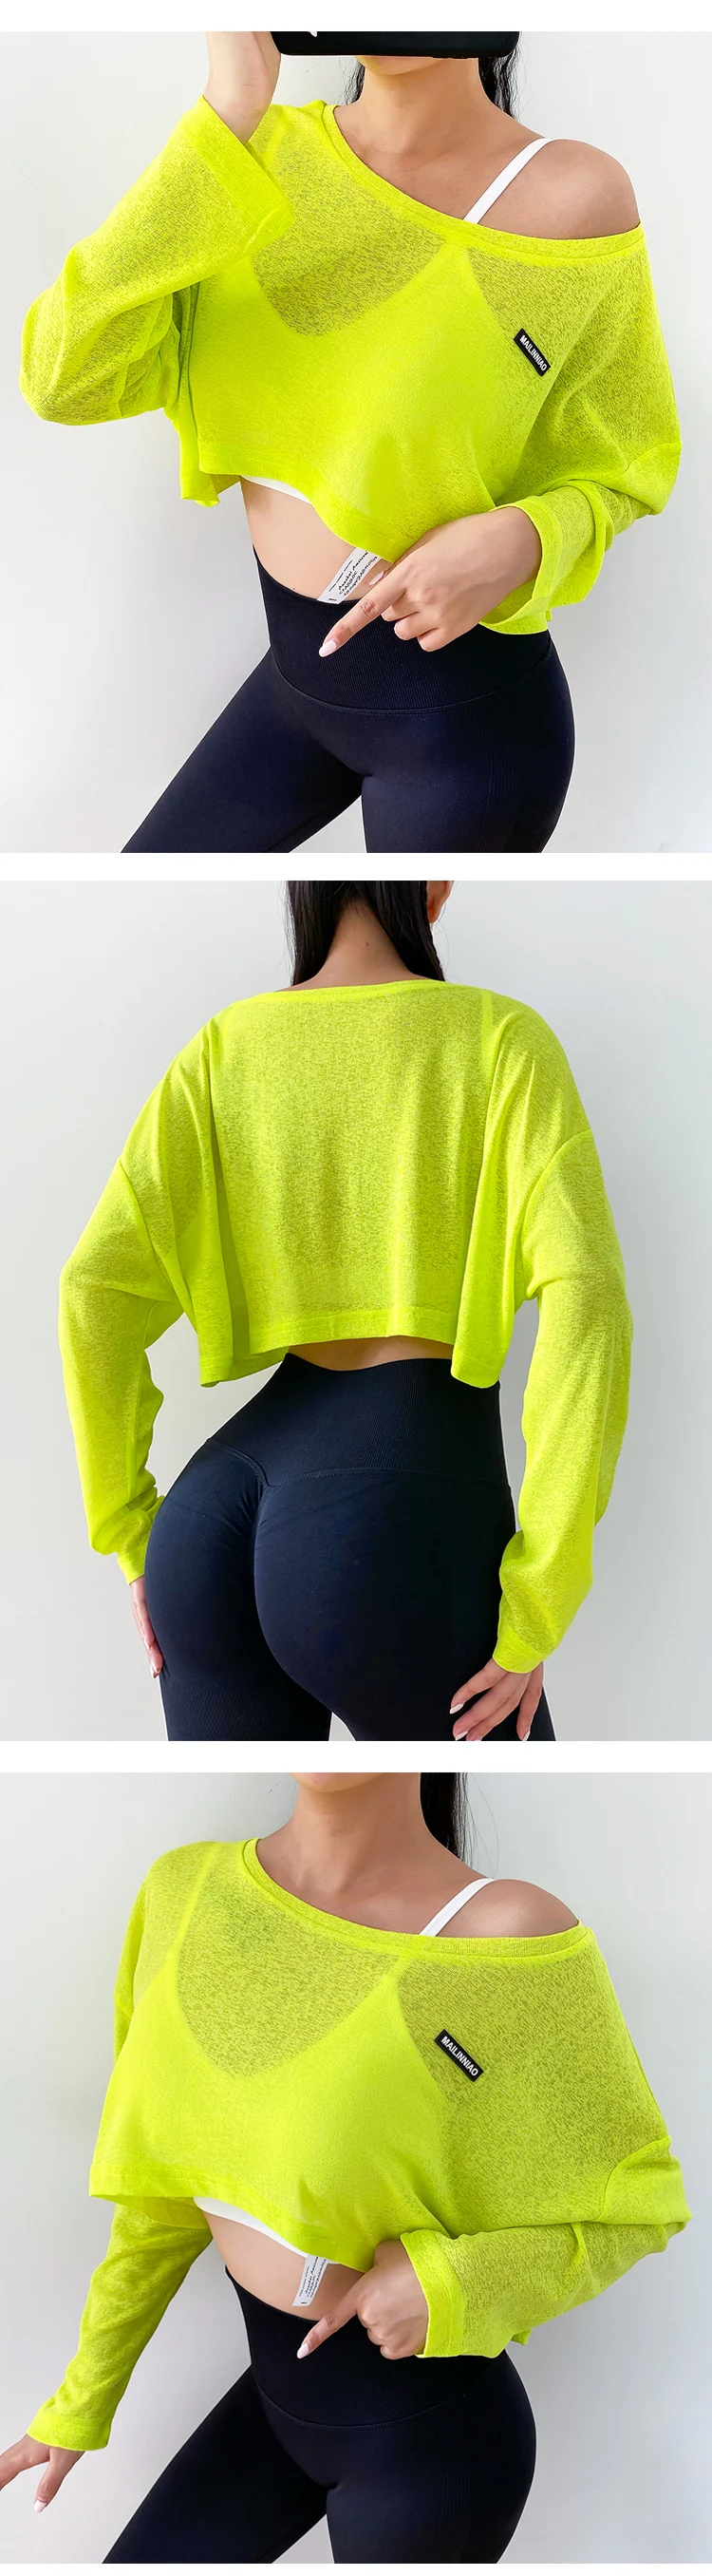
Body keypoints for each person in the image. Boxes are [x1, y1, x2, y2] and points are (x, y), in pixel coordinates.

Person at [0, 1772, 689, 2564]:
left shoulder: (504, 1937)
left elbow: (643, 2205)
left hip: (431, 2443)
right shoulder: (181, 1893)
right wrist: (82, 2399)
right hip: (277, 2398)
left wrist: (452, 2282)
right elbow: (161, 2194)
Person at [19, 37, 680, 854]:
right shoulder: (247, 155)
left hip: (464, 723)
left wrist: (529, 536)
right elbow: (64, 379)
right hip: (297, 684)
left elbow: (629, 458)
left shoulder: (571, 195)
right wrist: (226, 113)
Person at [58, 881, 632, 1743]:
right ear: (435, 887)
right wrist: (537, 1602)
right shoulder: (500, 1040)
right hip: (389, 1508)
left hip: (207, 1522)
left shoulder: (225, 1048)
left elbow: (91, 1290)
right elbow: (589, 1296)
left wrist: (133, 1532)